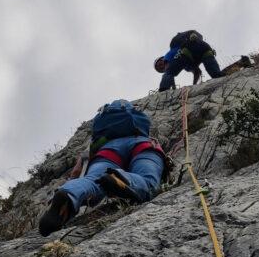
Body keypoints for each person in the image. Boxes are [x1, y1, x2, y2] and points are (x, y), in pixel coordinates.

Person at [38, 100, 166, 236]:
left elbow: (79, 167)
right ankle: (122, 178)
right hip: (142, 145)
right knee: (148, 180)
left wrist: (73, 179)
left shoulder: (102, 135)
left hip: (108, 150)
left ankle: (69, 194)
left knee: (93, 179)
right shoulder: (138, 122)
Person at [156, 30, 223, 91]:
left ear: (162, 58)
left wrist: (173, 89)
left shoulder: (169, 54)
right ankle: (219, 76)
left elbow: (169, 72)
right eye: (161, 69)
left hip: (188, 49)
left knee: (168, 73)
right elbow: (197, 72)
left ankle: (163, 92)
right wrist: (194, 86)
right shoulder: (186, 66)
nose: (162, 67)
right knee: (216, 75)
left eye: (159, 64)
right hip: (204, 48)